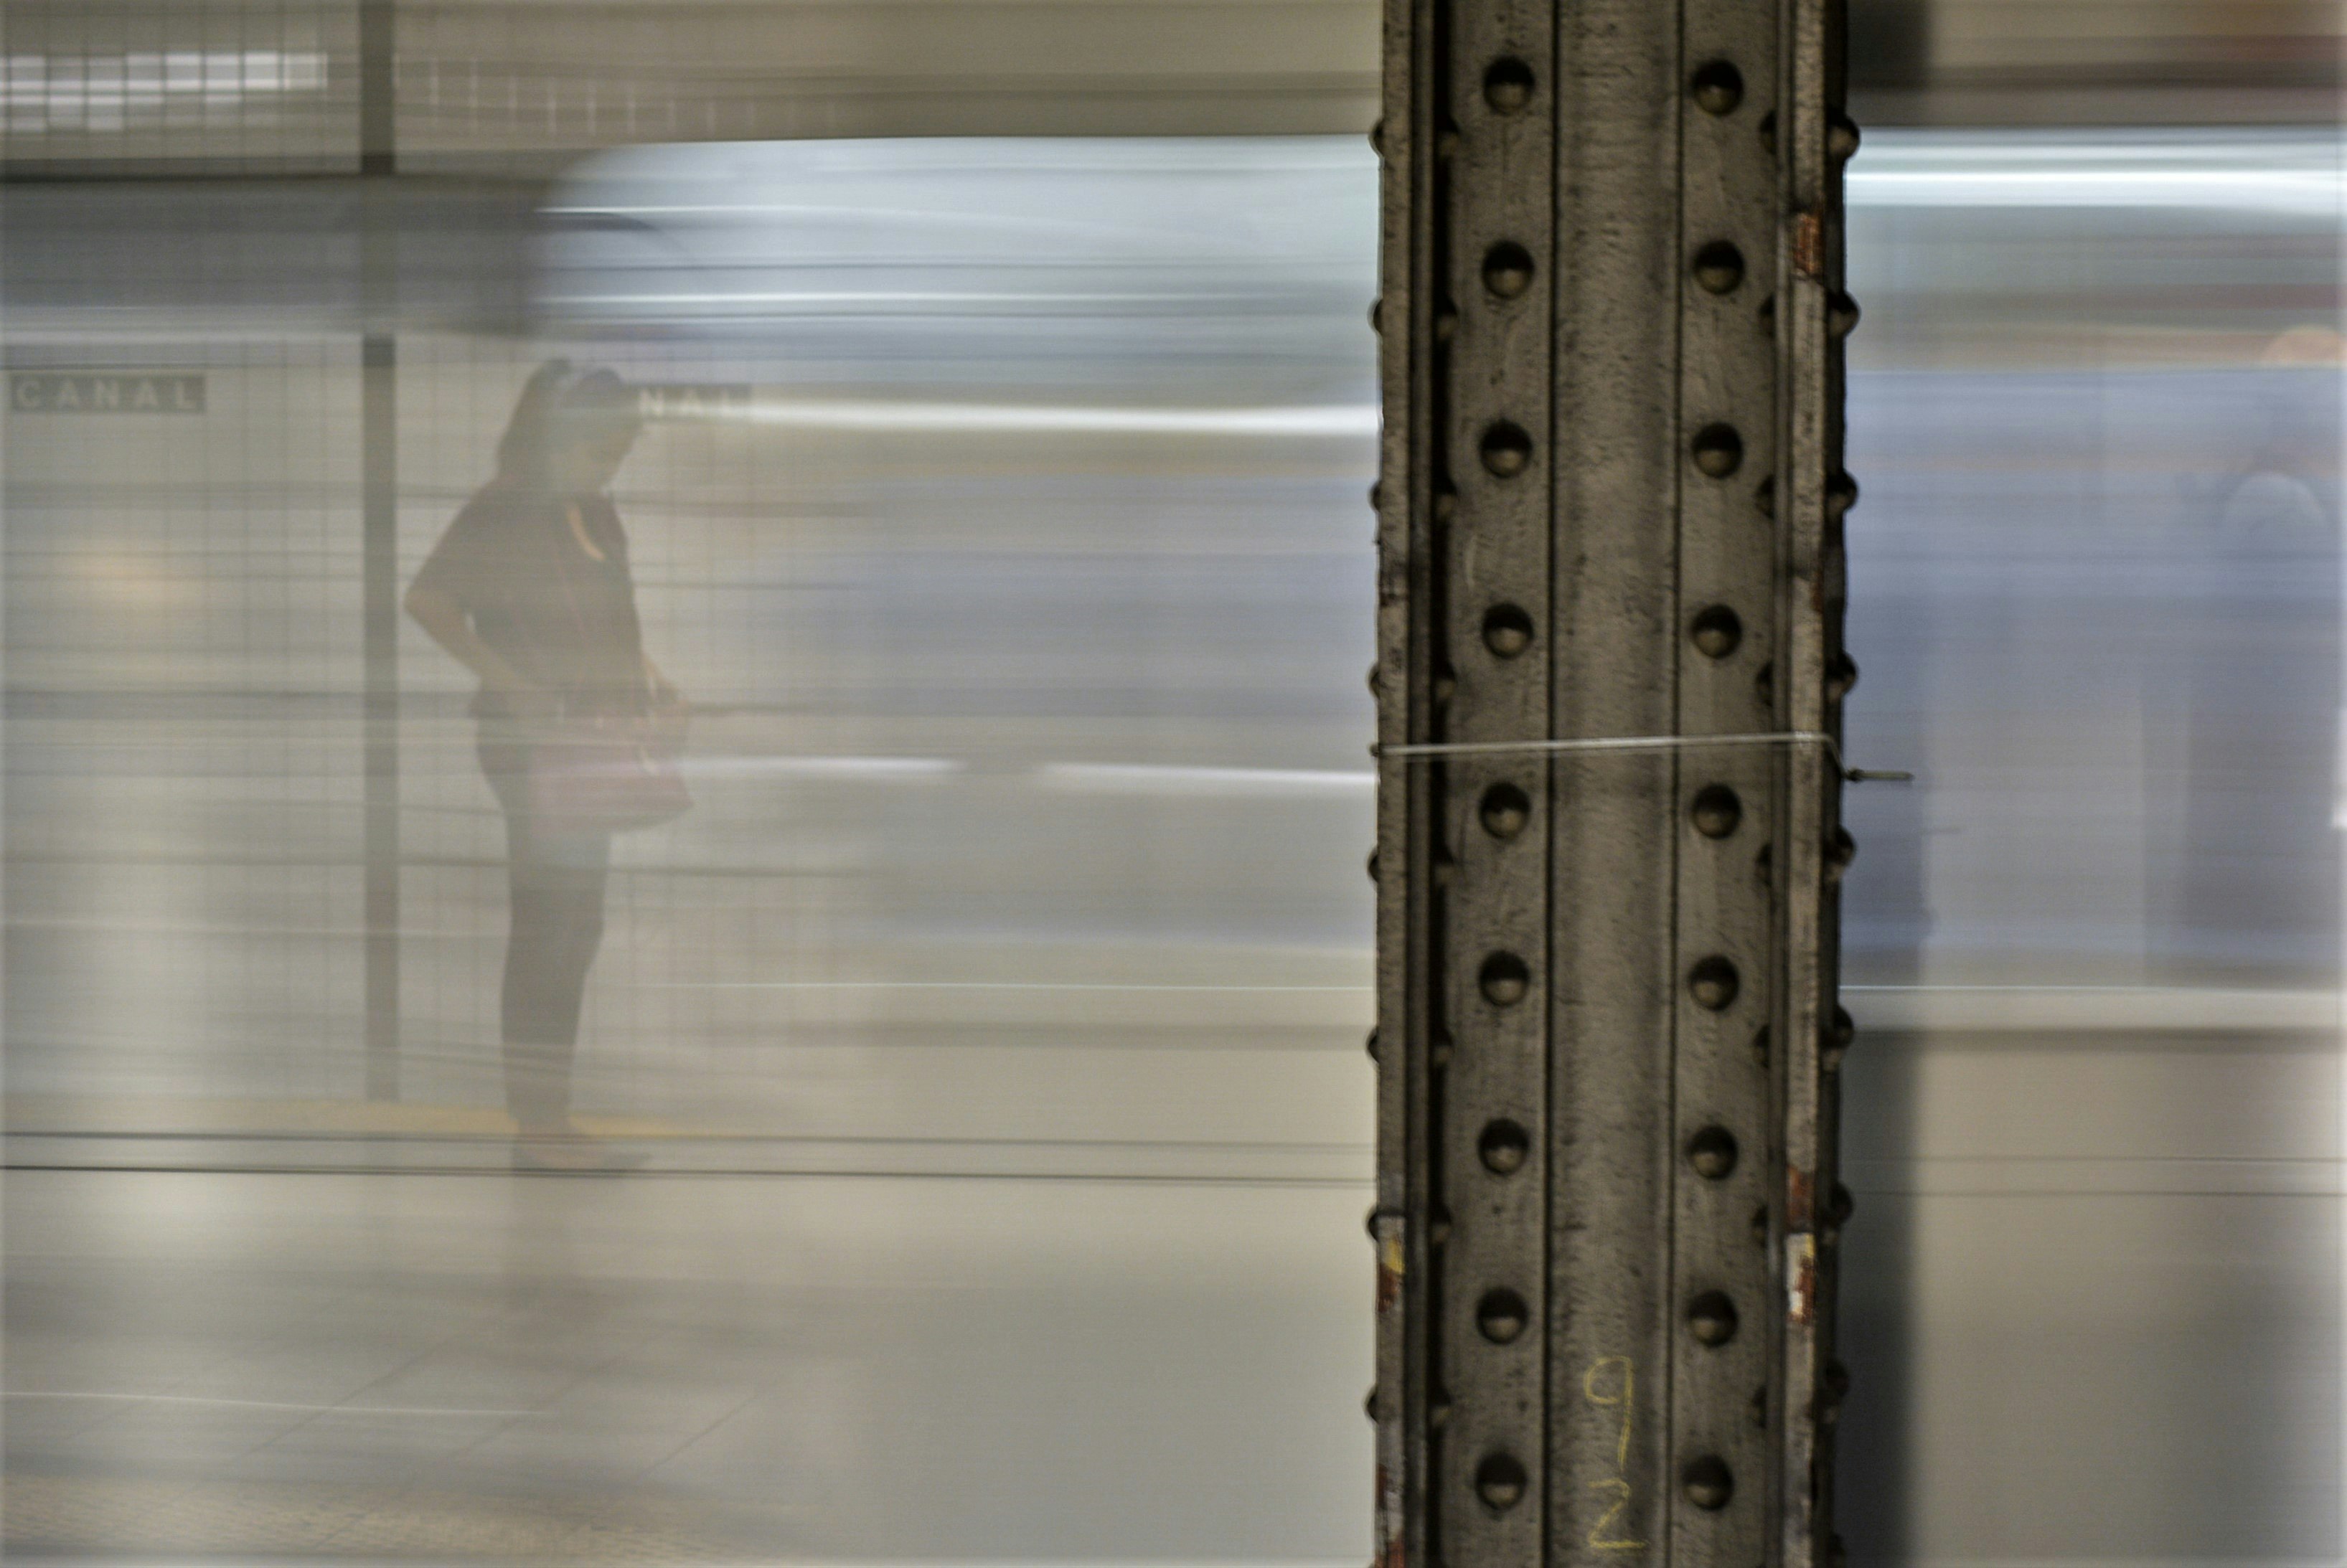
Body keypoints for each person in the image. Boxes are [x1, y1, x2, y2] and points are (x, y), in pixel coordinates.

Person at [406, 361, 685, 1172]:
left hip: (589, 739)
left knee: (574, 922)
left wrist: (658, 682)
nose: (617, 460)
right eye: (606, 445)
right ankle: (540, 1127)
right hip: (534, 747)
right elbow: (428, 600)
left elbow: (615, 624)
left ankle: (547, 1120)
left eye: (626, 446)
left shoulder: (595, 511)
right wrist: (513, 684)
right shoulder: (505, 507)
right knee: (552, 927)